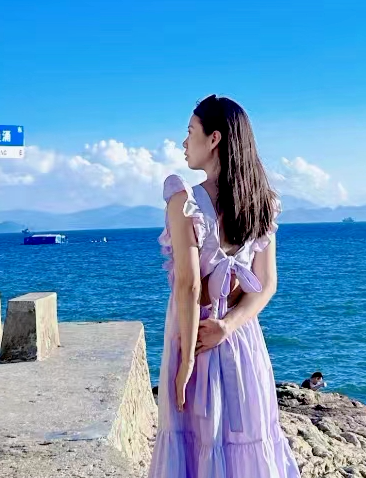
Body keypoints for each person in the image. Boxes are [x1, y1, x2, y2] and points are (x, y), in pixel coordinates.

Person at [150, 95, 299, 478]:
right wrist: (228, 326)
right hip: (241, 341)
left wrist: (185, 362)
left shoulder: (184, 200)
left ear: (213, 138)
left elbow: (188, 286)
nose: (184, 142)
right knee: (246, 443)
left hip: (194, 339)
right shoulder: (262, 203)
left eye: (190, 131)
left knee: (194, 445)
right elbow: (266, 284)